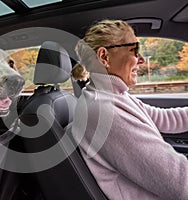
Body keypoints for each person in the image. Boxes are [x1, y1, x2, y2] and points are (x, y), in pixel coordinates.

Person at [71, 19, 188, 200]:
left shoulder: (112, 96)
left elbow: (165, 119)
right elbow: (181, 183)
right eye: (134, 50)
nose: (141, 59)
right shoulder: (104, 113)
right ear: (104, 57)